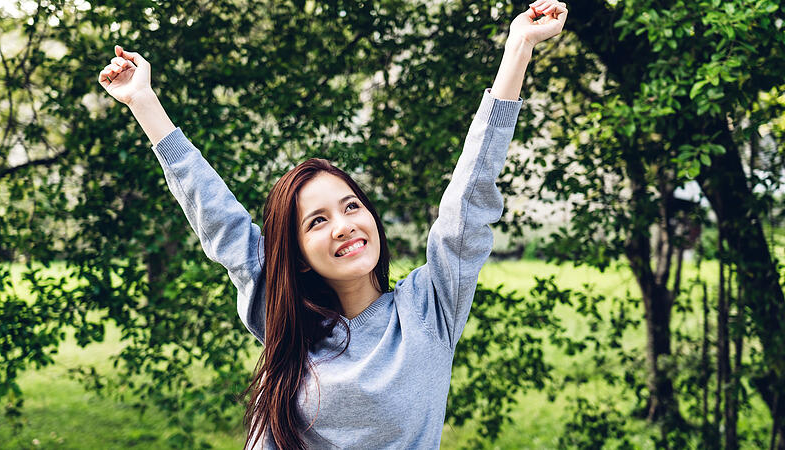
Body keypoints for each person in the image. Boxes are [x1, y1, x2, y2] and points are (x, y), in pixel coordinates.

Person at [98, 1, 567, 448]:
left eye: (350, 207)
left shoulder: (429, 311)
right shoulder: (284, 318)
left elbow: (470, 196)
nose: (343, 226)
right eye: (317, 221)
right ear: (297, 255)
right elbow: (217, 216)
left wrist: (518, 47)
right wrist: (143, 101)